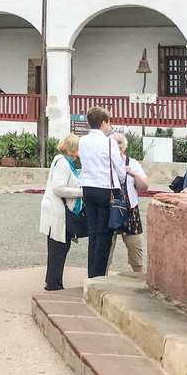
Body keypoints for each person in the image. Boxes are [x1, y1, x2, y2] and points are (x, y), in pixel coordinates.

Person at [76, 106, 125, 278]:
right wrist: (123, 177)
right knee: (104, 234)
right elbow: (118, 167)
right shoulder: (109, 141)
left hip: (88, 188)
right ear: (104, 122)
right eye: (108, 122)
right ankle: (98, 276)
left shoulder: (82, 141)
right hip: (105, 188)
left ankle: (91, 273)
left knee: (93, 232)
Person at [39, 134, 84, 291]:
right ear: (73, 149)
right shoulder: (63, 164)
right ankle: (54, 284)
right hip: (58, 213)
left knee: (59, 248)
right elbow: (58, 188)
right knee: (58, 248)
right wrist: (81, 192)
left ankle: (53, 281)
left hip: (59, 212)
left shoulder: (66, 162)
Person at [108, 134, 149, 274]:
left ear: (125, 146)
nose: (117, 145)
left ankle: (139, 282)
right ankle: (101, 281)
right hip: (110, 210)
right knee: (105, 251)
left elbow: (144, 186)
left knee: (135, 251)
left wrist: (134, 174)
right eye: (114, 142)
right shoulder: (105, 163)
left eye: (120, 142)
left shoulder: (133, 163)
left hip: (131, 211)